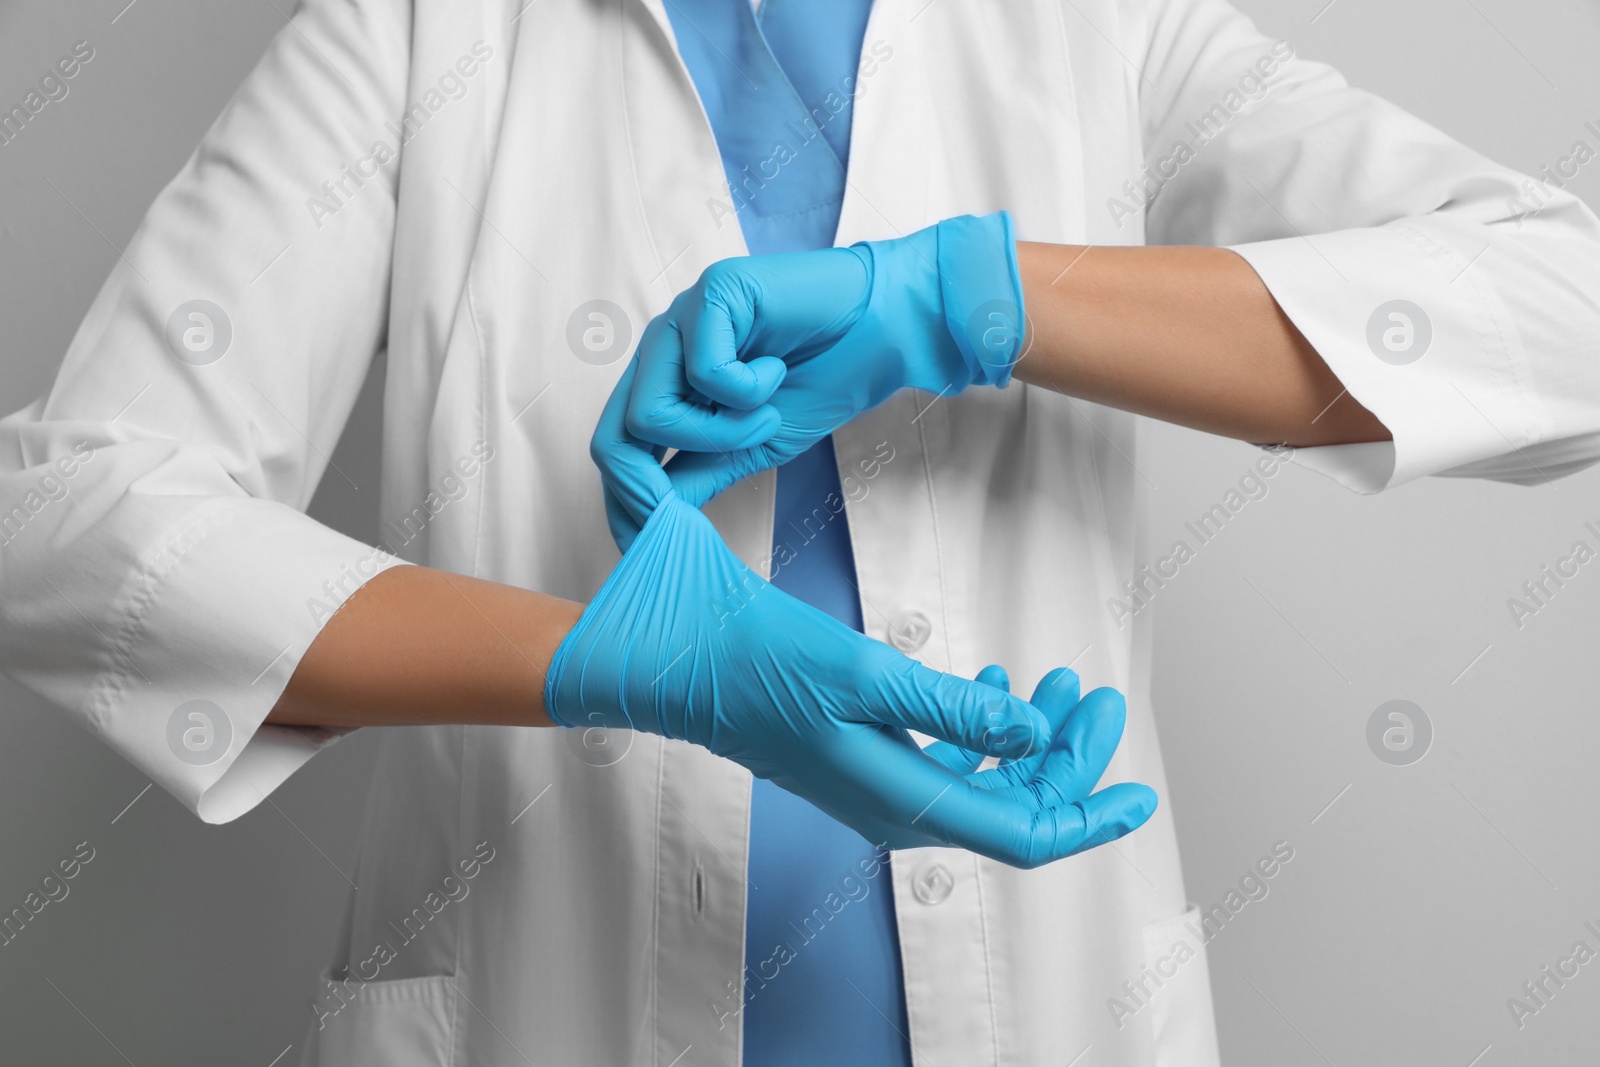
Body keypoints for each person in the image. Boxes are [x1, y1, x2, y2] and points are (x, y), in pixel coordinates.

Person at [3, 0, 1598, 1065]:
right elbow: (57, 520)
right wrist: (614, 663)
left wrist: (977, 300)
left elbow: (1567, 315)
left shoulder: (1089, 31)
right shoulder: (418, 34)